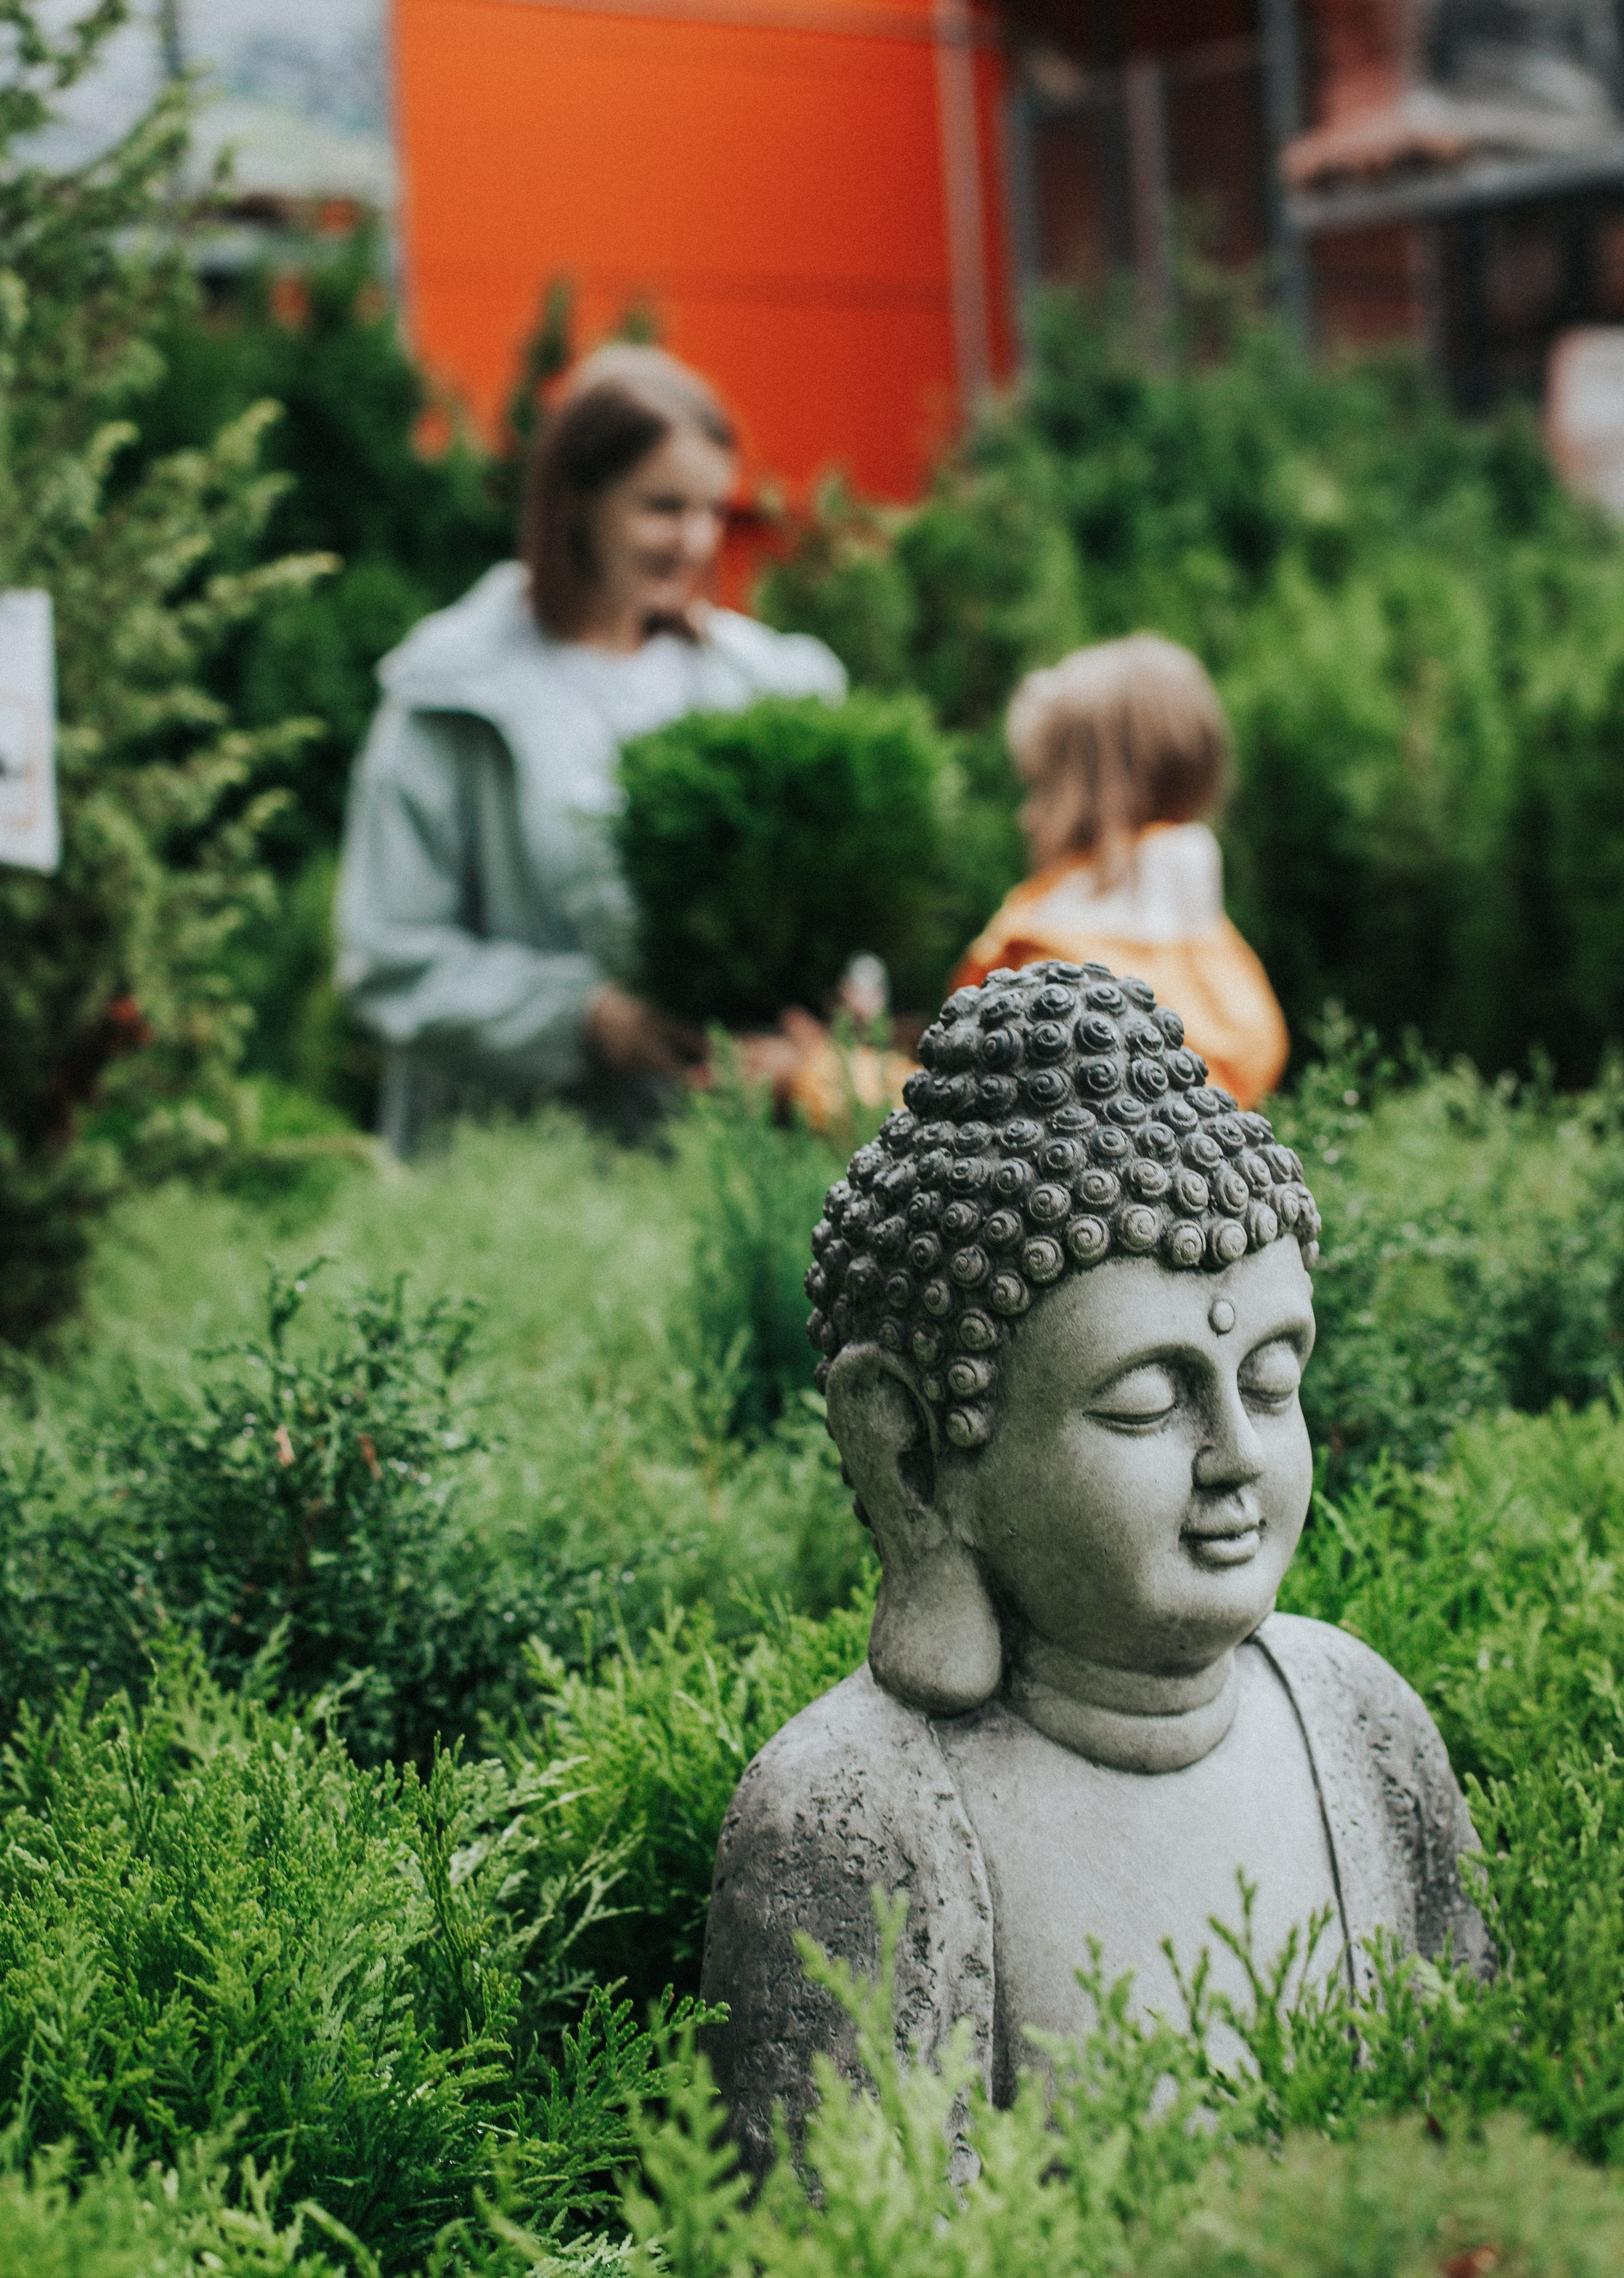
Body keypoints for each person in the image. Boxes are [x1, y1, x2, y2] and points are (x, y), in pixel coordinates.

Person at [702, 965, 1488, 2174]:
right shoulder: (857, 1816)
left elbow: (1484, 2128)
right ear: (914, 1453)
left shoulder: (1361, 1723)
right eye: (1144, 1401)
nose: (1238, 1454)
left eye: (1274, 1381)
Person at [336, 343, 845, 1152]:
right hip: (516, 1181)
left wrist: (821, 1023)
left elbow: (843, 913)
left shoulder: (769, 687)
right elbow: (388, 962)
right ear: (574, 498)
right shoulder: (454, 695)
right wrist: (586, 1019)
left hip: (725, 1168)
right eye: (661, 507)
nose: (695, 541)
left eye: (713, 510)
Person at [949, 635, 1288, 1110]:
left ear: (1089, 794)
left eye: (1040, 787)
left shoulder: (1052, 956)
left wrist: (826, 1074)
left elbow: (963, 1114)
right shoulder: (1210, 949)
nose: (1025, 815)